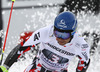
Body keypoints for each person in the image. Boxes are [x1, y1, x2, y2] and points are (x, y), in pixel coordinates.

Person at [0, 11, 90, 72]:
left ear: (73, 33)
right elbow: (22, 47)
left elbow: (84, 62)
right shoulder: (45, 32)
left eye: (64, 35)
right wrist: (4, 67)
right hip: (37, 68)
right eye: (57, 33)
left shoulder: (81, 44)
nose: (60, 38)